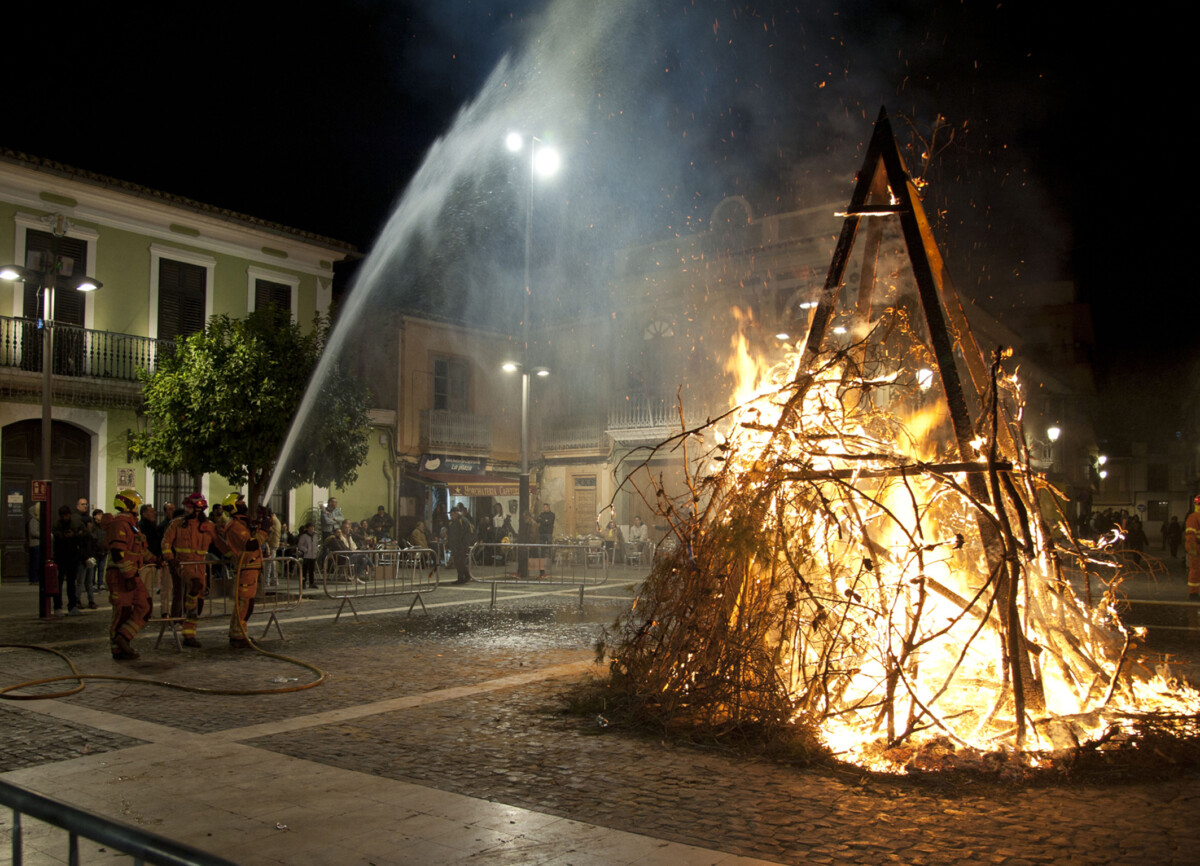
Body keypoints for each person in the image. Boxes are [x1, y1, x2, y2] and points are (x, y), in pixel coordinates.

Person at [162, 493, 218, 647]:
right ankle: (187, 609)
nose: (186, 510)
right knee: (194, 585)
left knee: (198, 601)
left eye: (189, 507)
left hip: (200, 565)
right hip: (182, 564)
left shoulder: (208, 526)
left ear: (199, 509)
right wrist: (170, 558)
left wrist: (235, 556)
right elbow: (166, 542)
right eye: (186, 507)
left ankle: (189, 634)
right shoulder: (177, 524)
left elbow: (220, 544)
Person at [215, 494, 268, 648]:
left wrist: (262, 520)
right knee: (245, 604)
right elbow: (251, 544)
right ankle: (238, 637)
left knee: (246, 604)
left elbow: (253, 534)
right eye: (239, 502)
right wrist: (263, 530)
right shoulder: (235, 527)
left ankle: (238, 633)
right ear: (233, 507)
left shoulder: (240, 523)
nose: (243, 503)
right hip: (246, 567)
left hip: (250, 566)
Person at [105, 489, 150, 660]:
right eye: (136, 503)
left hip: (131, 574)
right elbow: (118, 552)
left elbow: (141, 551)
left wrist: (158, 559)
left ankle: (123, 637)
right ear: (129, 504)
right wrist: (129, 576)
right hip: (120, 576)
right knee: (122, 612)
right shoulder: (120, 524)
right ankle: (118, 649)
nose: (138, 506)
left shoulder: (132, 525)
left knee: (145, 606)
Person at [51, 505, 83, 615]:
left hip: (72, 556)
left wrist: (75, 534)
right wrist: (65, 536)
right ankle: (58, 606)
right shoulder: (56, 525)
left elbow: (85, 534)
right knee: (58, 583)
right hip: (60, 556)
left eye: (67, 515)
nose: (65, 518)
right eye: (63, 516)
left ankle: (72, 605)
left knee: (71, 583)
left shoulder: (75, 523)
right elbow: (57, 535)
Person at [447, 505, 474, 584]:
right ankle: (462, 576)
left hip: (461, 545)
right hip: (455, 546)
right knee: (457, 562)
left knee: (460, 562)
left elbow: (468, 533)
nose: (451, 516)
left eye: (452, 514)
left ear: (456, 513)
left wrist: (465, 543)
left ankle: (463, 577)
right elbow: (451, 534)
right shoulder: (452, 522)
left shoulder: (463, 520)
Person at [296, 522, 318, 589]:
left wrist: (316, 550)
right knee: (304, 570)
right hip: (306, 555)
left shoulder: (315, 535)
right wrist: (306, 550)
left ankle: (312, 582)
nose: (312, 528)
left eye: (313, 527)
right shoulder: (304, 536)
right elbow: (300, 545)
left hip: (313, 555)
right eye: (310, 527)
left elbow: (316, 543)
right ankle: (303, 582)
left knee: (312, 570)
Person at [1186, 495, 1200, 599]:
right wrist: (1193, 550)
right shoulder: (1194, 517)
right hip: (1197, 549)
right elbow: (1190, 535)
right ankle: (1193, 593)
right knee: (1195, 570)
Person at [26, 502, 41, 586]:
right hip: (35, 544)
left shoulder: (37, 520)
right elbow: (34, 532)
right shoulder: (34, 520)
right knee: (35, 563)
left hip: (37, 544)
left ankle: (35, 578)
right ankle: (34, 579)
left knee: (36, 562)